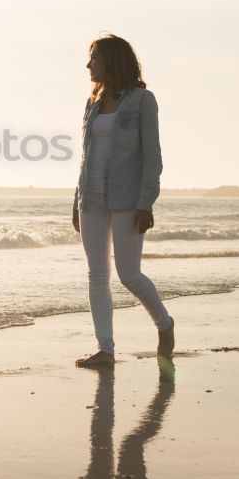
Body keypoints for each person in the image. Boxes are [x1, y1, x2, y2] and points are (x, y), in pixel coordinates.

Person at [71, 33, 174, 367]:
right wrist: (76, 201)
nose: (89, 64)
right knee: (96, 276)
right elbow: (86, 157)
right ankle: (106, 350)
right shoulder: (93, 103)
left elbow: (152, 157)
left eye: (94, 57)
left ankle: (164, 323)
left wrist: (146, 202)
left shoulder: (143, 101)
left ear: (111, 60)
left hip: (128, 198)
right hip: (92, 198)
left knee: (129, 274)